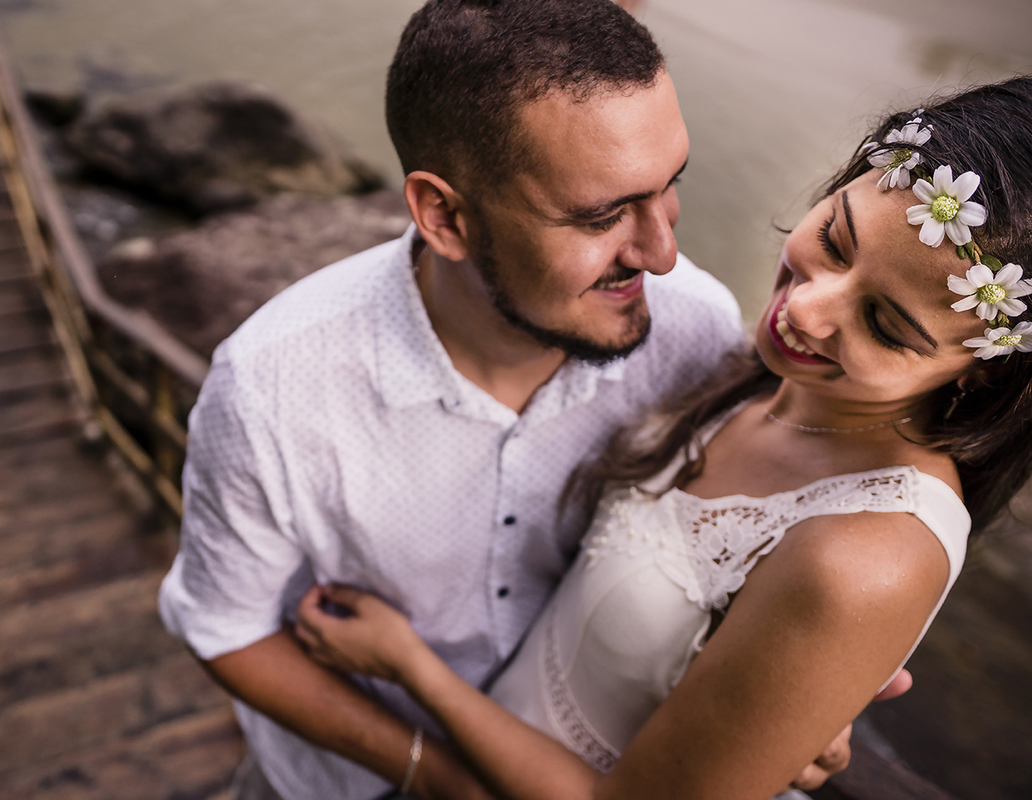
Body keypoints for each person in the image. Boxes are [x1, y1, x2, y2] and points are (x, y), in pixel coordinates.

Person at [158, 2, 886, 797]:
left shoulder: (697, 330)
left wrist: (796, 692)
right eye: (602, 215)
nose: (661, 252)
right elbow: (226, 629)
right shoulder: (271, 384)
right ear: (445, 216)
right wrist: (437, 777)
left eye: (668, 186)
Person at [294, 76, 1032, 799]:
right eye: (836, 242)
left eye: (885, 325)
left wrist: (412, 669)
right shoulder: (761, 379)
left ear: (983, 371)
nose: (807, 311)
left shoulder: (869, 557)